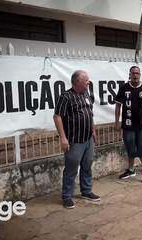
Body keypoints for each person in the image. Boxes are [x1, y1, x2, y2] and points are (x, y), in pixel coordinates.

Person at [53, 70, 101, 209]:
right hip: (74, 140)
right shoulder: (66, 97)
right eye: (86, 81)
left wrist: (93, 130)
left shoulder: (86, 93)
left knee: (87, 166)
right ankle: (67, 196)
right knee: (71, 169)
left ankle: (86, 191)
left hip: (88, 139)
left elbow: (89, 113)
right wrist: (63, 138)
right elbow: (57, 117)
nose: (88, 83)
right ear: (77, 82)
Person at [115, 66, 142, 184]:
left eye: (137, 73)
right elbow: (118, 105)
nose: (135, 75)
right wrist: (117, 121)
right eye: (133, 73)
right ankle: (131, 170)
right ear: (129, 74)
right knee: (130, 147)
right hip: (127, 124)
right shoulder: (124, 88)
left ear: (140, 75)